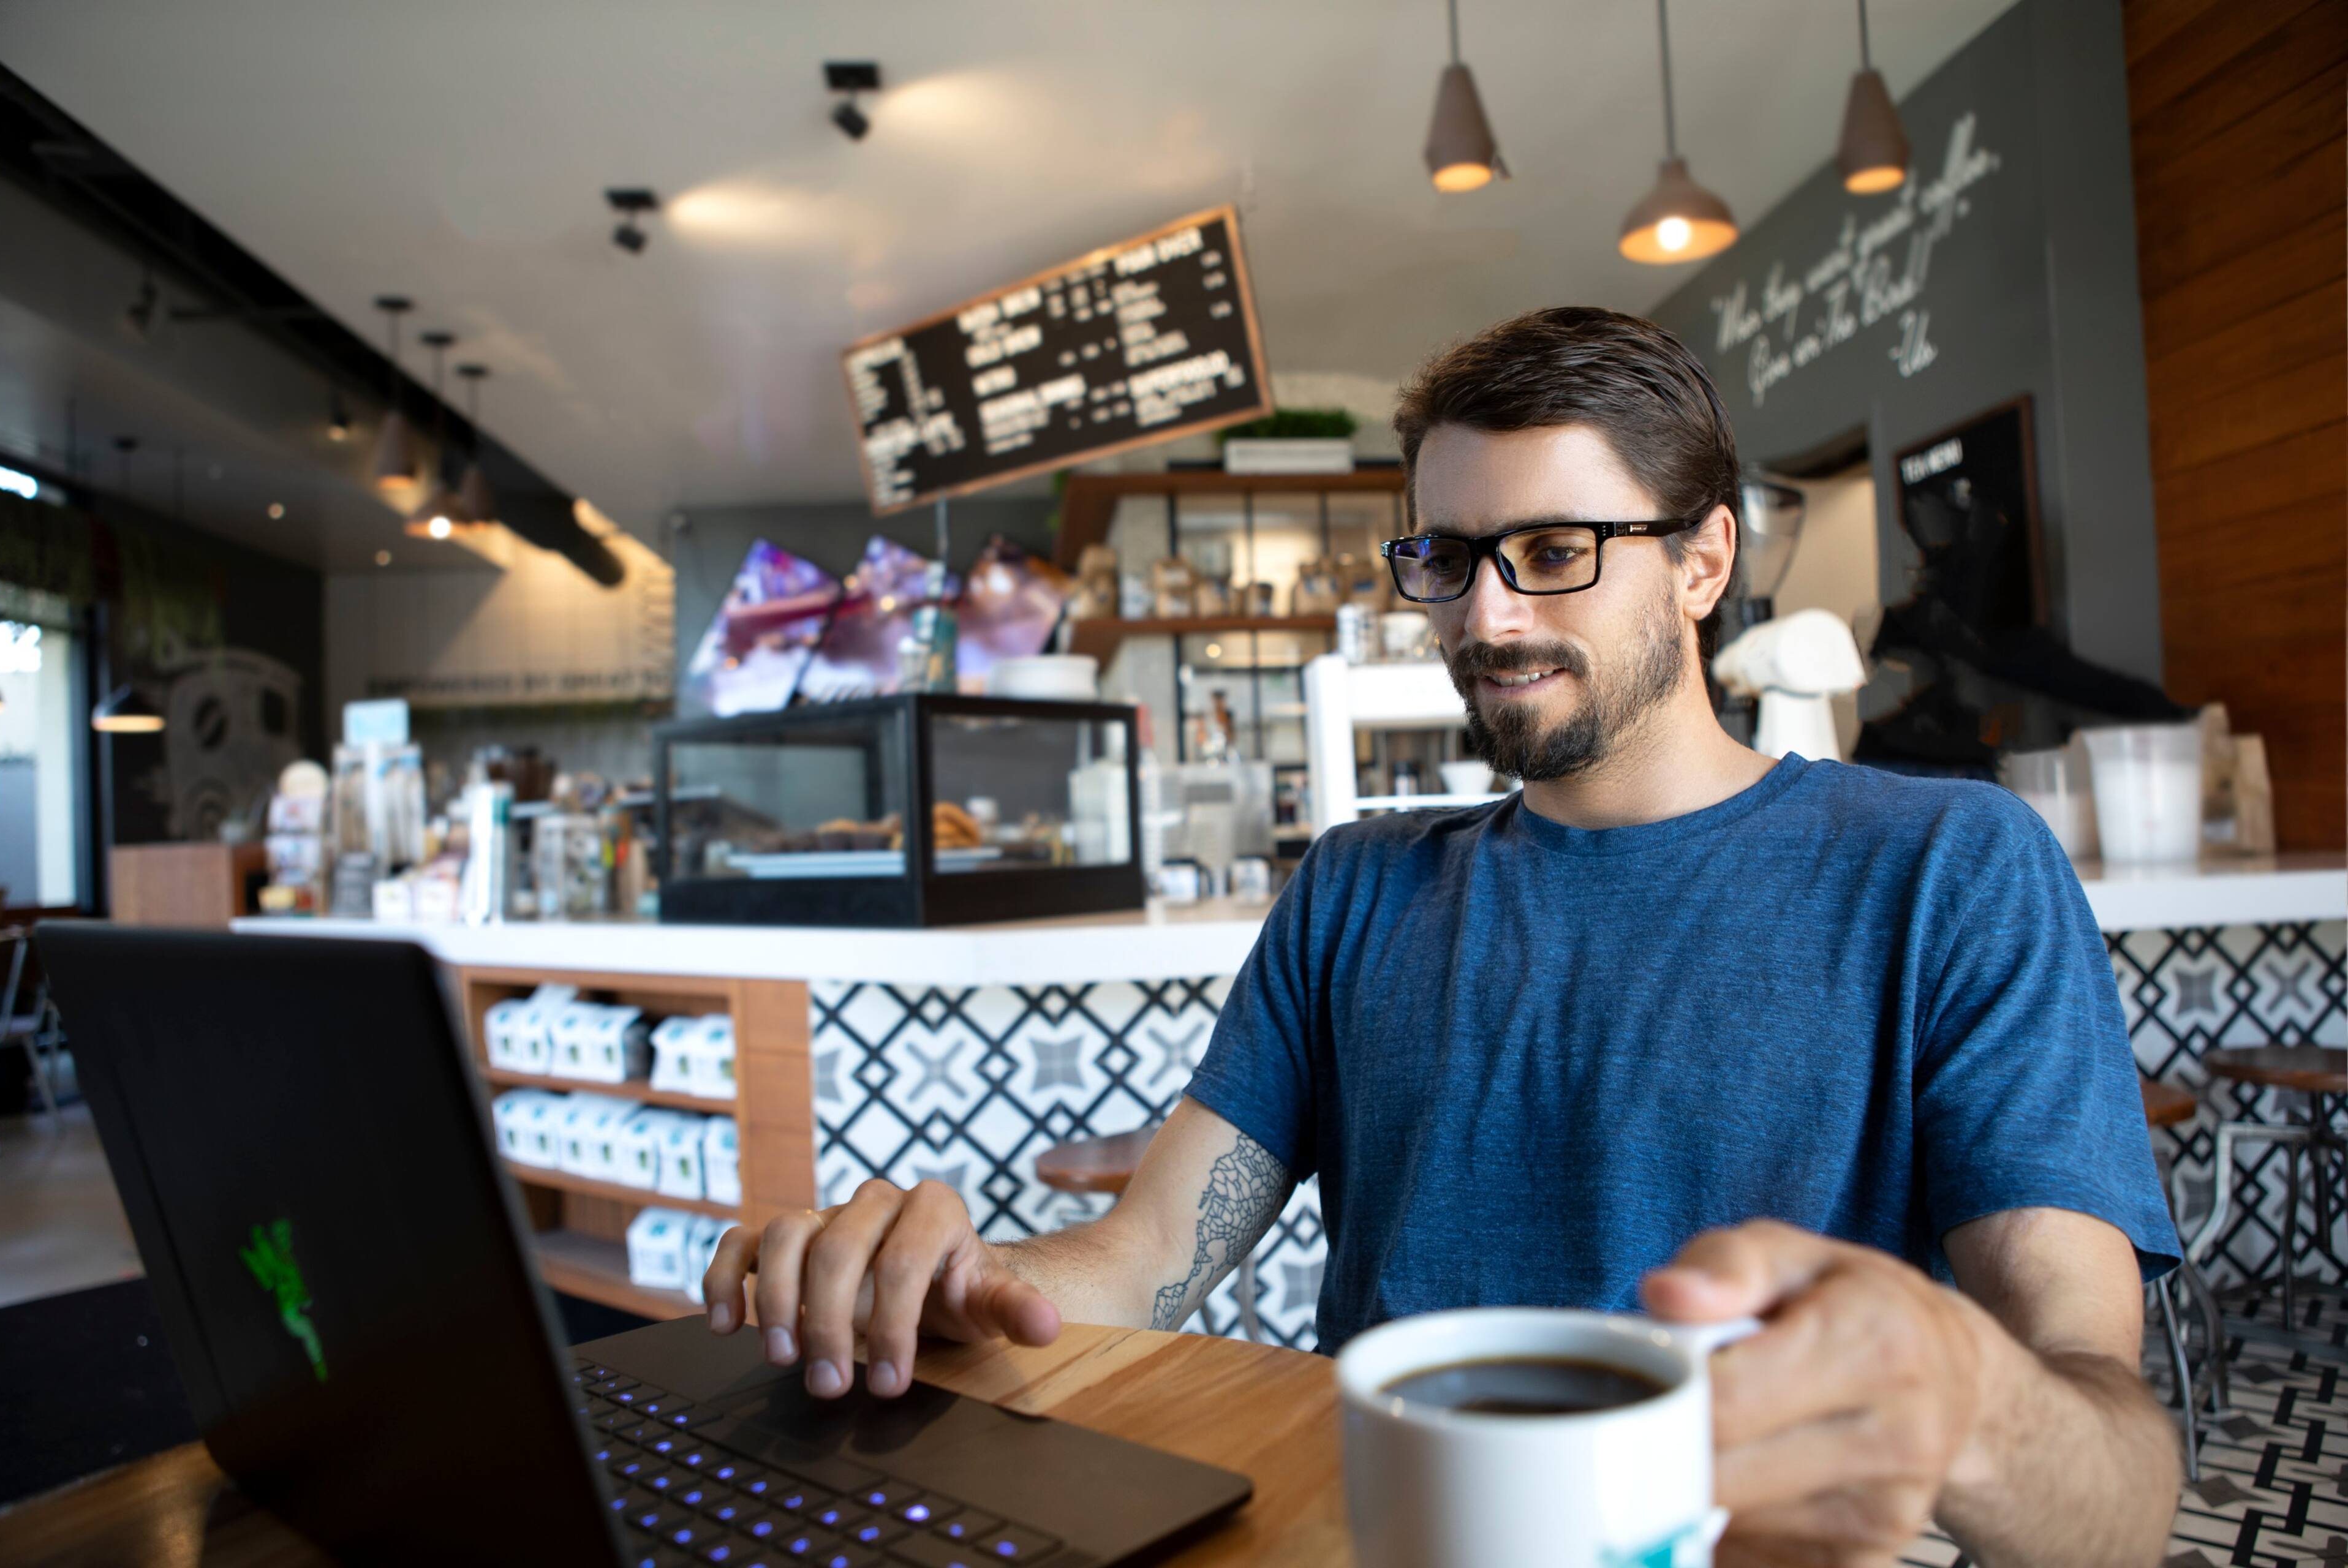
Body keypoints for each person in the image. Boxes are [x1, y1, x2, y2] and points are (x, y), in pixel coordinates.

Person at [705, 307, 2183, 1565]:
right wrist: (954, 1284)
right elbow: (1147, 1254)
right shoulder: (1357, 888)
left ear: (1704, 560)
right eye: (1450, 555)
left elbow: (2115, 1479)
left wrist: (1968, 1403)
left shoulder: (1949, 867)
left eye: (1551, 547)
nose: (1483, 612)